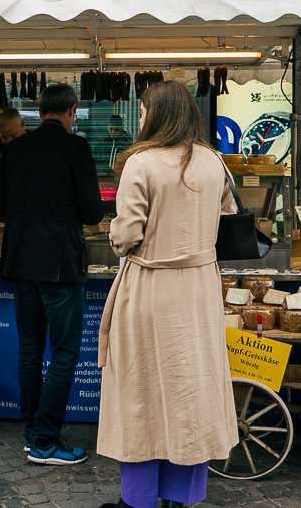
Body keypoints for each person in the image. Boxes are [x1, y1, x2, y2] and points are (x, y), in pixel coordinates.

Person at [95, 80, 237, 508]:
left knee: (140, 391)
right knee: (191, 388)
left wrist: (118, 237)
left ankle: (137, 500)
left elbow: (126, 234)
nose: (139, 119)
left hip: (150, 289)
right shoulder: (215, 162)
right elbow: (228, 220)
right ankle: (183, 496)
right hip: (199, 290)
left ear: (157, 115)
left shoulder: (142, 162)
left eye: (141, 112)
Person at [0, 83, 104, 465]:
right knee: (65, 352)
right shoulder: (77, 147)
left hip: (20, 258)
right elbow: (92, 212)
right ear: (72, 110)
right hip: (58, 263)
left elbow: (1, 207)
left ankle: (32, 432)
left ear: (39, 112)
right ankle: (44, 441)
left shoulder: (16, 148)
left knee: (29, 350)